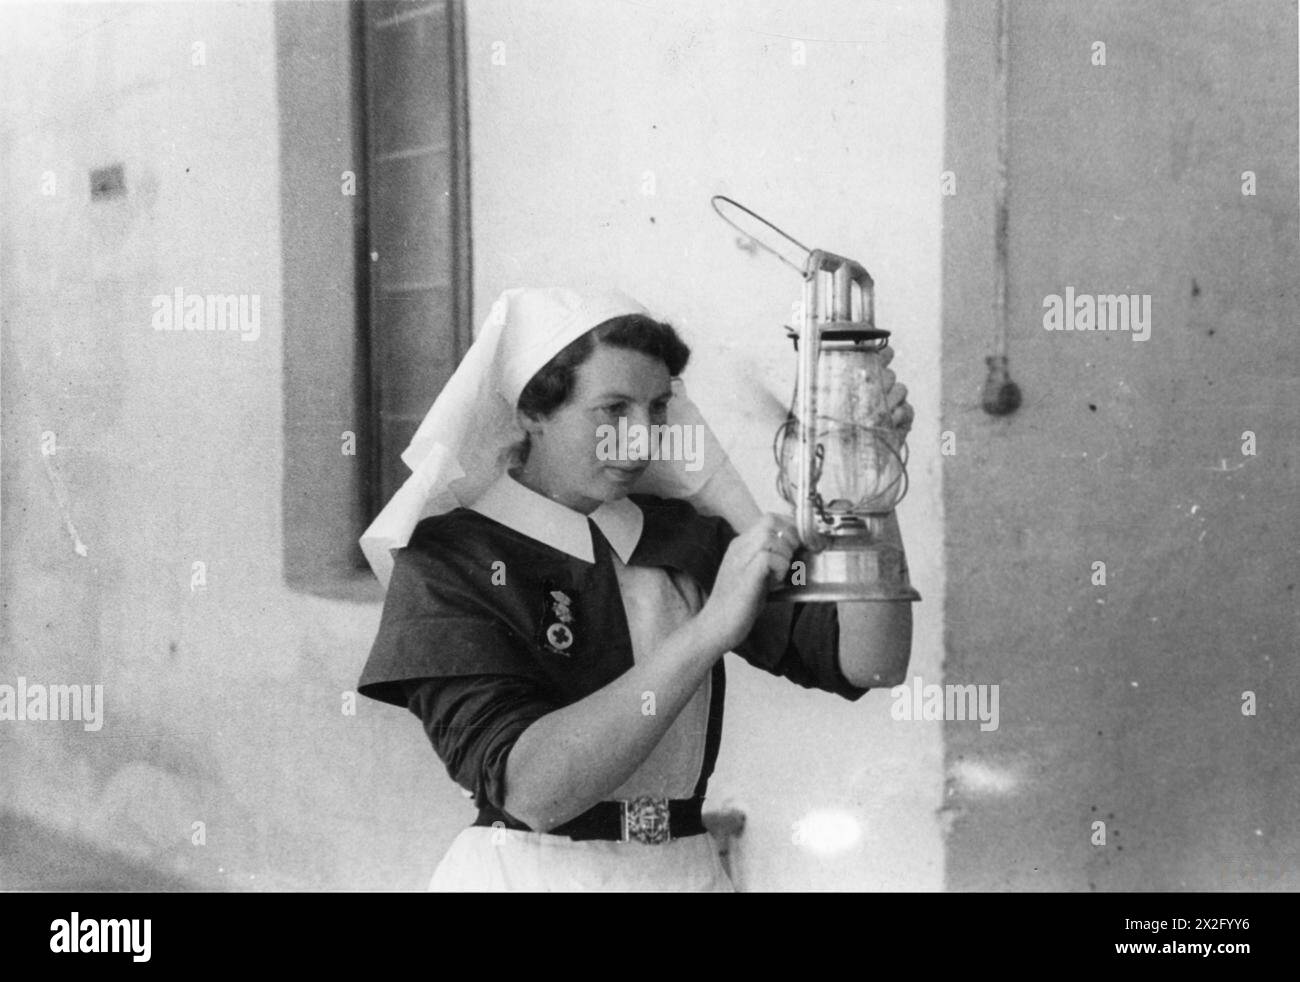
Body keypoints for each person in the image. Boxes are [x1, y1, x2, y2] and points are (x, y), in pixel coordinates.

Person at [357, 287, 914, 891]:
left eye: (656, 409)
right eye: (613, 409)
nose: (641, 438)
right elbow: (535, 792)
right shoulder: (450, 560)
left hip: (684, 872)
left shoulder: (686, 536)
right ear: (532, 412)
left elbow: (868, 662)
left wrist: (869, 485)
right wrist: (707, 632)